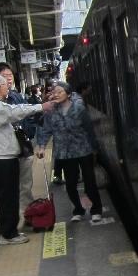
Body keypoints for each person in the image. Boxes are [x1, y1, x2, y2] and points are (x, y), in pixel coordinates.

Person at [0, 73, 52, 244]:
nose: (8, 87)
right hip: (1, 158)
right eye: (6, 84)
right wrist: (40, 107)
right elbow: (13, 112)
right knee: (9, 197)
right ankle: (8, 234)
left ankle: (3, 232)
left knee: (7, 196)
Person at [35, 81, 103, 223]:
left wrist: (95, 149)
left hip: (83, 150)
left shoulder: (79, 108)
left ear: (68, 94)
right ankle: (78, 210)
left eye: (60, 92)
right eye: (54, 92)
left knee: (90, 182)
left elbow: (89, 130)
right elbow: (45, 130)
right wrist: (41, 147)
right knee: (70, 184)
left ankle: (96, 210)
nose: (56, 94)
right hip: (65, 153)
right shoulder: (51, 111)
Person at [0, 62, 37, 227]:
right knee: (10, 187)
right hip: (4, 151)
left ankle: (27, 215)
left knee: (26, 184)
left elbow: (28, 115)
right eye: (5, 76)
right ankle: (13, 222)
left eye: (10, 75)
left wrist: (29, 132)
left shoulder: (16, 96)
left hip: (23, 147)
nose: (9, 79)